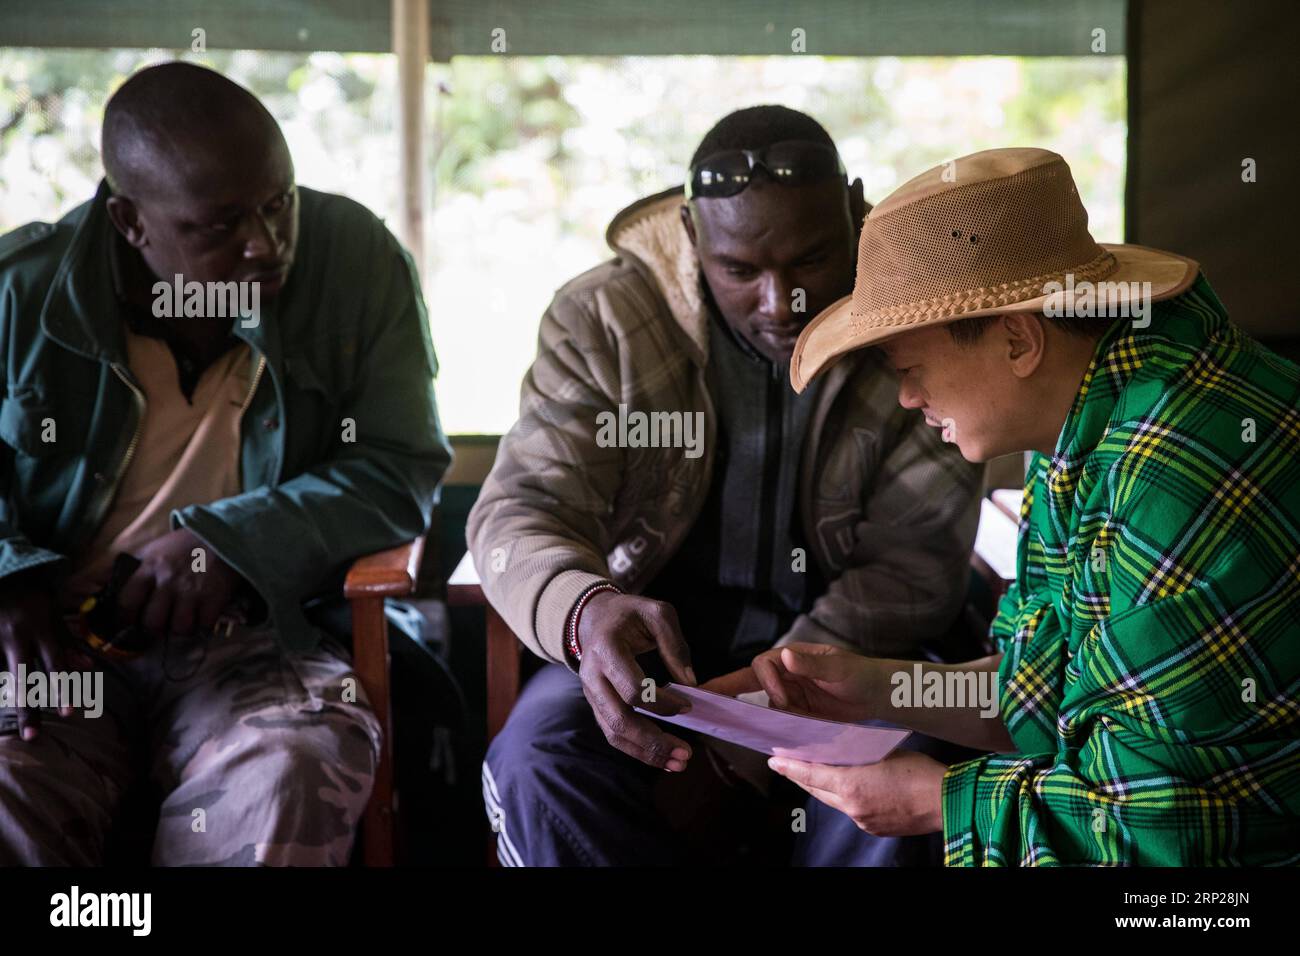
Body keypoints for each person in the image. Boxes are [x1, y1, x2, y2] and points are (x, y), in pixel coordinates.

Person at [750, 146, 1300, 865]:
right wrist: (878, 687)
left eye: (911, 370)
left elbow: (1163, 839)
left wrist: (938, 803)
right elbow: (1060, 693)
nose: (909, 399)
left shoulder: (1171, 471)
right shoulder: (1090, 419)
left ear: (1017, 337)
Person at [469, 106, 984, 866]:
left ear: (853, 212)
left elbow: (910, 570)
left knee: (901, 791)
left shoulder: (916, 315)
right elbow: (521, 511)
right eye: (741, 271)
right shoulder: (603, 322)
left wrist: (753, 736)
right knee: (538, 764)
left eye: (810, 261)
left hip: (856, 661)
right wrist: (584, 614)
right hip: (647, 655)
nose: (781, 304)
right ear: (690, 234)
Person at [0, 62, 451, 865]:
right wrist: (10, 578)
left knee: (291, 771)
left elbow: (398, 466)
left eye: (279, 204)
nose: (265, 245)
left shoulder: (355, 263)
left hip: (253, 637)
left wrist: (233, 542)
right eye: (217, 226)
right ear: (129, 222)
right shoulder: (21, 294)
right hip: (53, 649)